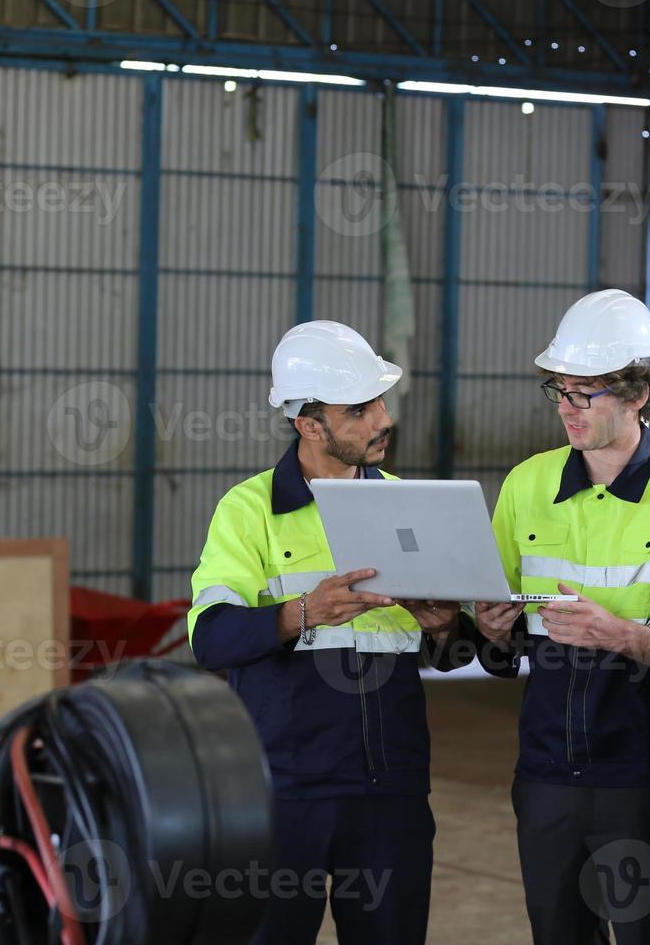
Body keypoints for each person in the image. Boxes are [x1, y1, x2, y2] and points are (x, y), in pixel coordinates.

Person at [186, 319, 473, 945]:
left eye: (379, 403)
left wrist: (447, 627)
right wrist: (300, 612)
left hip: (391, 790)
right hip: (286, 792)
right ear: (308, 423)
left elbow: (453, 655)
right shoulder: (249, 510)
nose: (381, 421)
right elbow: (211, 637)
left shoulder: (410, 505)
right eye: (359, 410)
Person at [469, 289, 650, 945]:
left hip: (644, 773)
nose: (566, 407)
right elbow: (498, 640)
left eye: (586, 393)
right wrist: (493, 631)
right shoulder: (527, 485)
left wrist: (630, 637)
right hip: (546, 772)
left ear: (640, 393)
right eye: (559, 389)